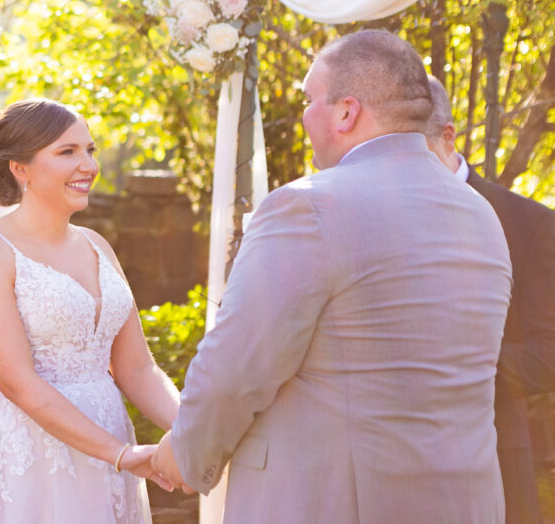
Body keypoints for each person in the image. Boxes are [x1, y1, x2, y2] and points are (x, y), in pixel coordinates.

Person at [151, 29, 513, 523]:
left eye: (308, 100)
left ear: (346, 112)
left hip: (333, 504)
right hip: (465, 504)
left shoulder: (309, 206)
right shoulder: (479, 213)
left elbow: (234, 372)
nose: (303, 116)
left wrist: (185, 456)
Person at [0, 98, 179, 523]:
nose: (87, 164)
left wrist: (192, 432)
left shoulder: (97, 245)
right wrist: (123, 455)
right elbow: (19, 383)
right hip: (25, 454)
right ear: (21, 168)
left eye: (89, 149)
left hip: (107, 444)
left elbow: (137, 370)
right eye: (67, 152)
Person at [426, 75, 555, 524]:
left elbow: (549, 355)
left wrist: (453, 362)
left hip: (495, 453)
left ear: (447, 137)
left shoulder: (530, 224)